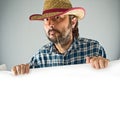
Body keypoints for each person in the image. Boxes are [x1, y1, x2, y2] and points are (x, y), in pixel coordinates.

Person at [12, 0, 109, 75]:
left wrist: (104, 65)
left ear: (73, 22)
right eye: (46, 19)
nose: (50, 24)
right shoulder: (40, 57)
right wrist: (22, 71)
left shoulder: (94, 49)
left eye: (57, 17)